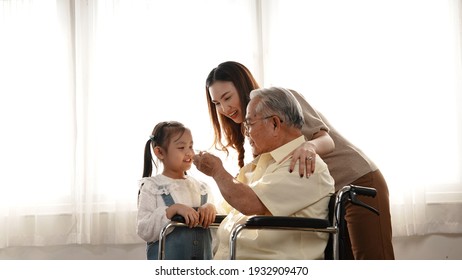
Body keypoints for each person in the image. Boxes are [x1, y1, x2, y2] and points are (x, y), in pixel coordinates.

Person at [204, 61, 395, 260]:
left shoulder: (283, 100)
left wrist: (309, 146)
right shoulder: (254, 124)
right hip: (320, 192)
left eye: (227, 98)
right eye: (217, 103)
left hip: (357, 179)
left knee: (372, 259)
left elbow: (326, 140)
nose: (225, 108)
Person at [193, 87, 335, 259]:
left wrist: (217, 171)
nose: (246, 132)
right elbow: (227, 206)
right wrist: (210, 208)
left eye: (249, 124)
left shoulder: (303, 165)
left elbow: (249, 203)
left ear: (275, 123)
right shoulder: (263, 163)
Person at [136, 121, 217, 260]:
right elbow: (144, 229)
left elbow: (219, 231)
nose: (190, 152)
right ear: (160, 152)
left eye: (191, 146)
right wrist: (172, 211)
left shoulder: (202, 188)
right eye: (181, 147)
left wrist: (211, 208)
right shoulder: (152, 187)